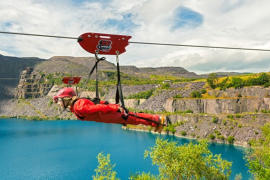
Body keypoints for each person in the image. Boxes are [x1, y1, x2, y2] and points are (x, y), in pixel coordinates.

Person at [53, 87, 169, 132]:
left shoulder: (79, 106)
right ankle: (155, 122)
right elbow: (97, 103)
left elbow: (98, 106)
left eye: (59, 100)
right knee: (132, 118)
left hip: (109, 115)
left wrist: (115, 107)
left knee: (133, 118)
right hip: (108, 116)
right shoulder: (76, 105)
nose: (59, 103)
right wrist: (112, 106)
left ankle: (157, 120)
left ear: (67, 99)